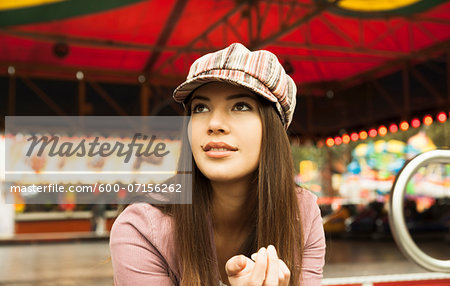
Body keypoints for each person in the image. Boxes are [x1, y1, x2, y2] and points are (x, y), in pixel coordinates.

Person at [110, 43, 326, 286]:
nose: (214, 123)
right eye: (200, 108)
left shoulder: (302, 214)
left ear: (273, 129)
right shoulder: (141, 228)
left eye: (241, 106)